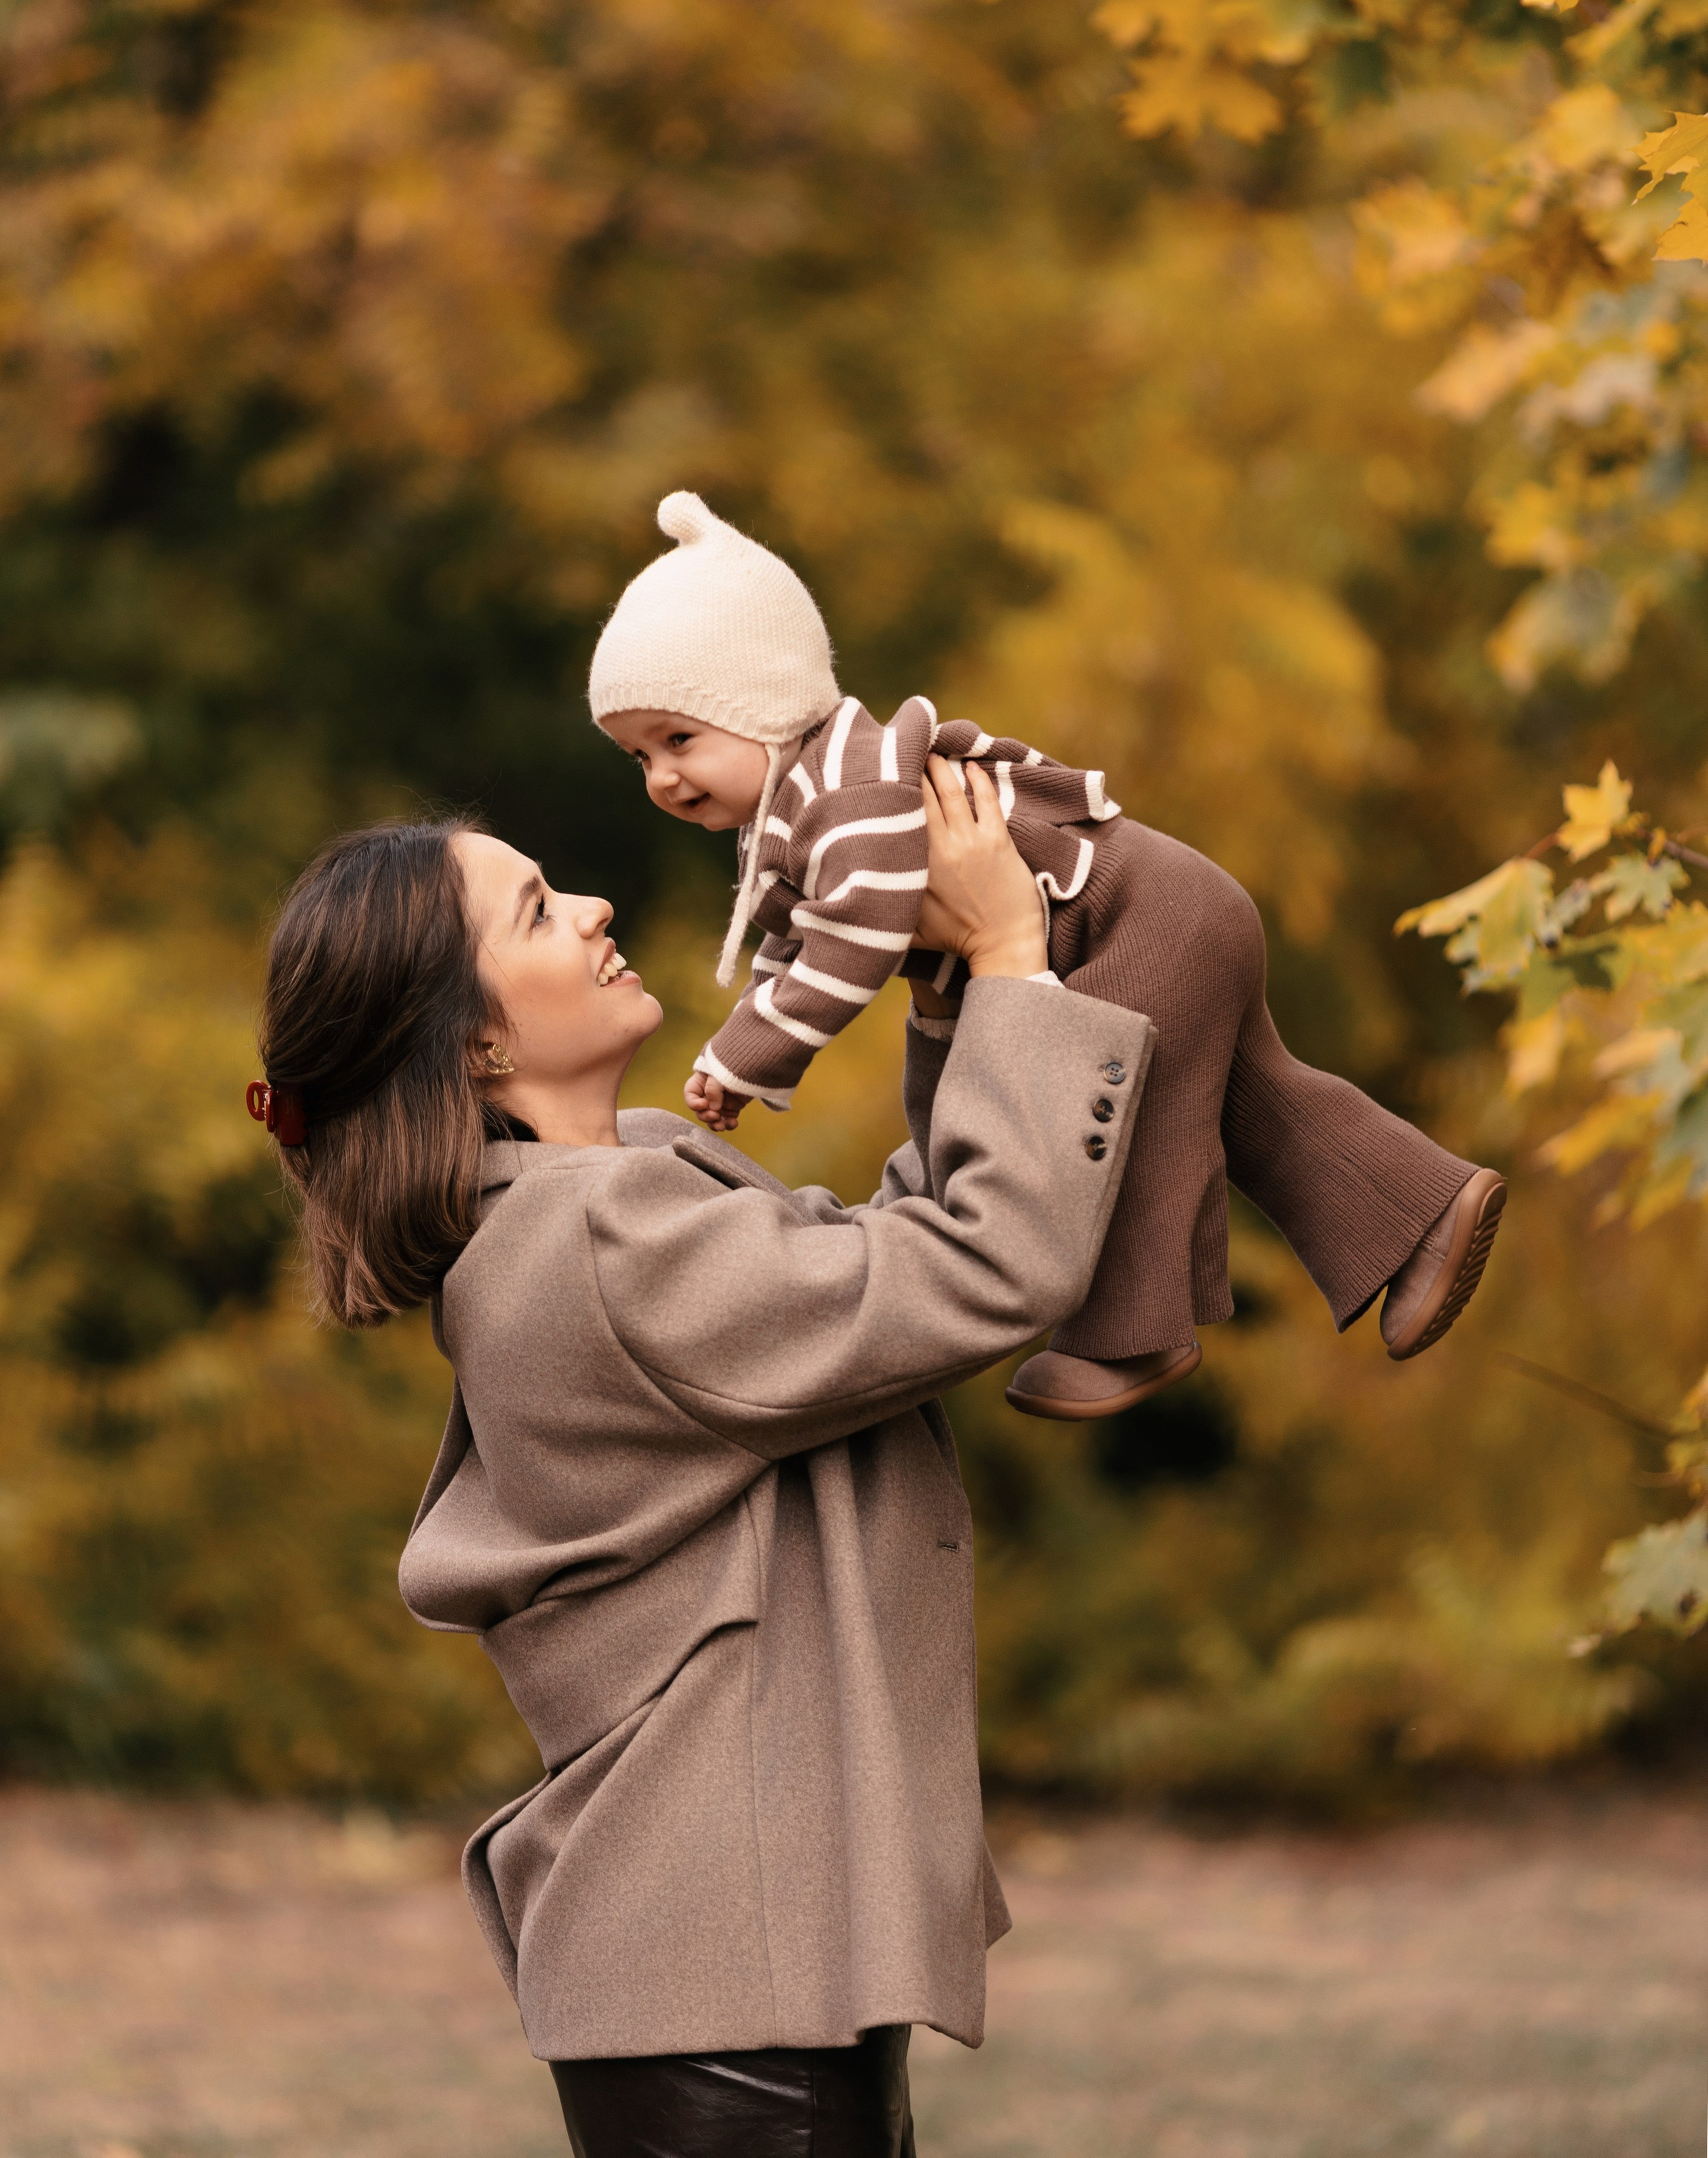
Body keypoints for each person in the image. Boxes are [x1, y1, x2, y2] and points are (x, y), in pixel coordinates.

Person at [246, 761, 1155, 2158]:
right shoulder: (595, 1243)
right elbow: (980, 1264)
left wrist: (952, 990)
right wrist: (1013, 956)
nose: (598, 906)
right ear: (475, 1048)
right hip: (733, 1996)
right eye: (543, 911)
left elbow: (887, 1261)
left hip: (735, 1975)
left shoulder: (626, 1194)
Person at [591, 491, 1507, 1425]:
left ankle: (1131, 1336)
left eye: (680, 739)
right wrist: (740, 1049)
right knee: (1253, 1098)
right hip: (1153, 912)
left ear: (766, 703)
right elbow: (791, 942)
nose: (663, 776)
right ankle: (1420, 1213)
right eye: (637, 756)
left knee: (1134, 1118)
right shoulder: (790, 813)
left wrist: (750, 1056)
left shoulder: (845, 788)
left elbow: (855, 936)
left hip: (1136, 922)